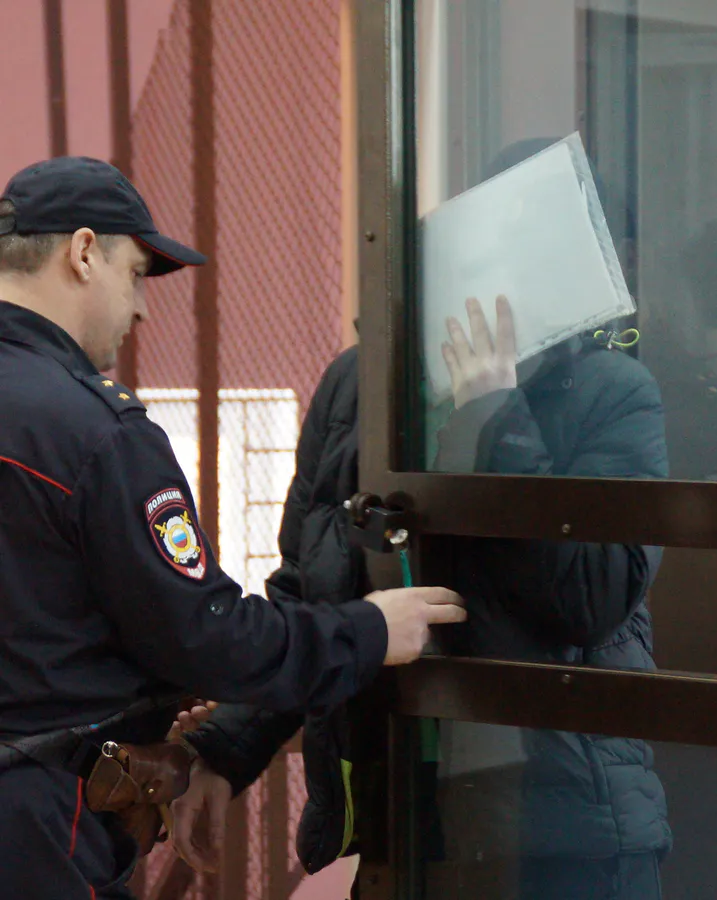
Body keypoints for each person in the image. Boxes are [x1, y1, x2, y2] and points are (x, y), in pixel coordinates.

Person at [172, 141, 671, 898]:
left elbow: (591, 596)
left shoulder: (610, 391)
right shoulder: (359, 383)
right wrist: (225, 753)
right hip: (403, 799)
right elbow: (306, 591)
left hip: (561, 823)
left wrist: (494, 413)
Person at [0, 156, 466, 900]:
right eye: (135, 275)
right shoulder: (91, 433)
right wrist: (370, 631)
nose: (141, 309)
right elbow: (203, 634)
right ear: (83, 253)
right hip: (36, 828)